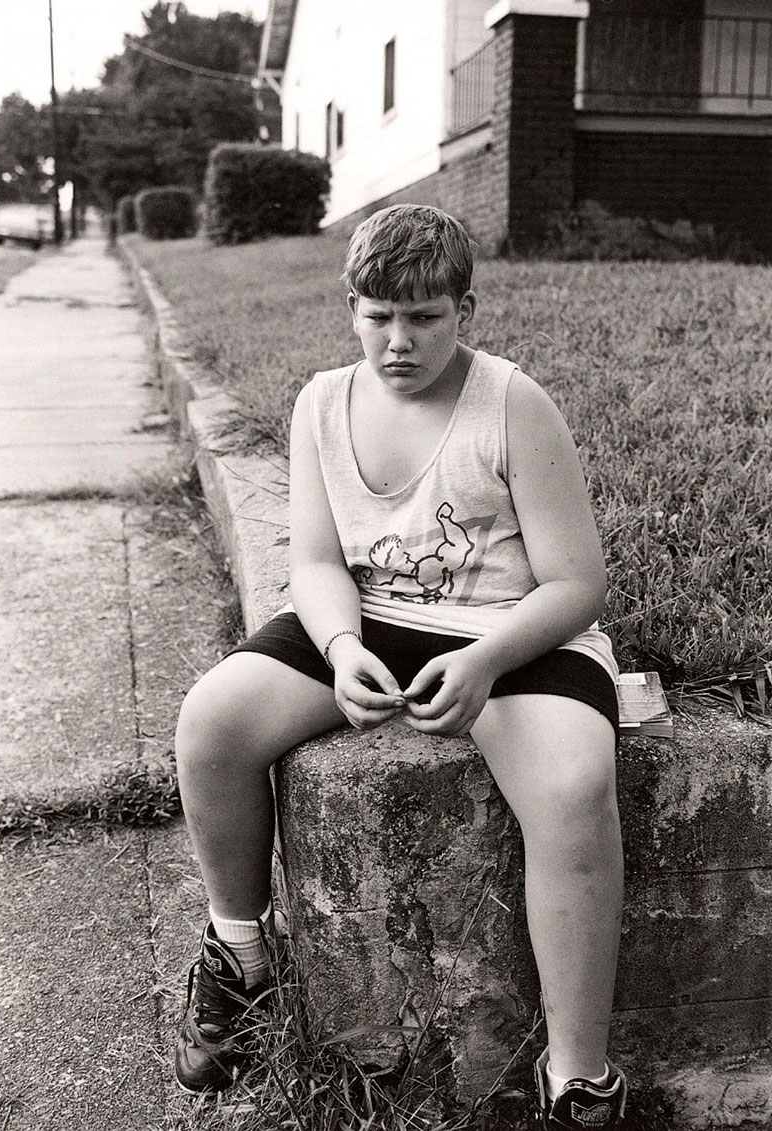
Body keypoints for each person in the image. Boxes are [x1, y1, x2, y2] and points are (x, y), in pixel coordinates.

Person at [173, 204, 627, 1129]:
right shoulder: (321, 403)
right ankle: (240, 953)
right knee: (212, 721)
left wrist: (487, 661)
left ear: (467, 309)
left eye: (423, 317)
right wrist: (340, 650)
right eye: (378, 315)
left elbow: (577, 583)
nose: (398, 340)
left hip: (514, 627)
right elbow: (317, 563)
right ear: (350, 307)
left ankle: (579, 1076)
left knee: (576, 784)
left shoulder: (511, 402)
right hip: (372, 617)